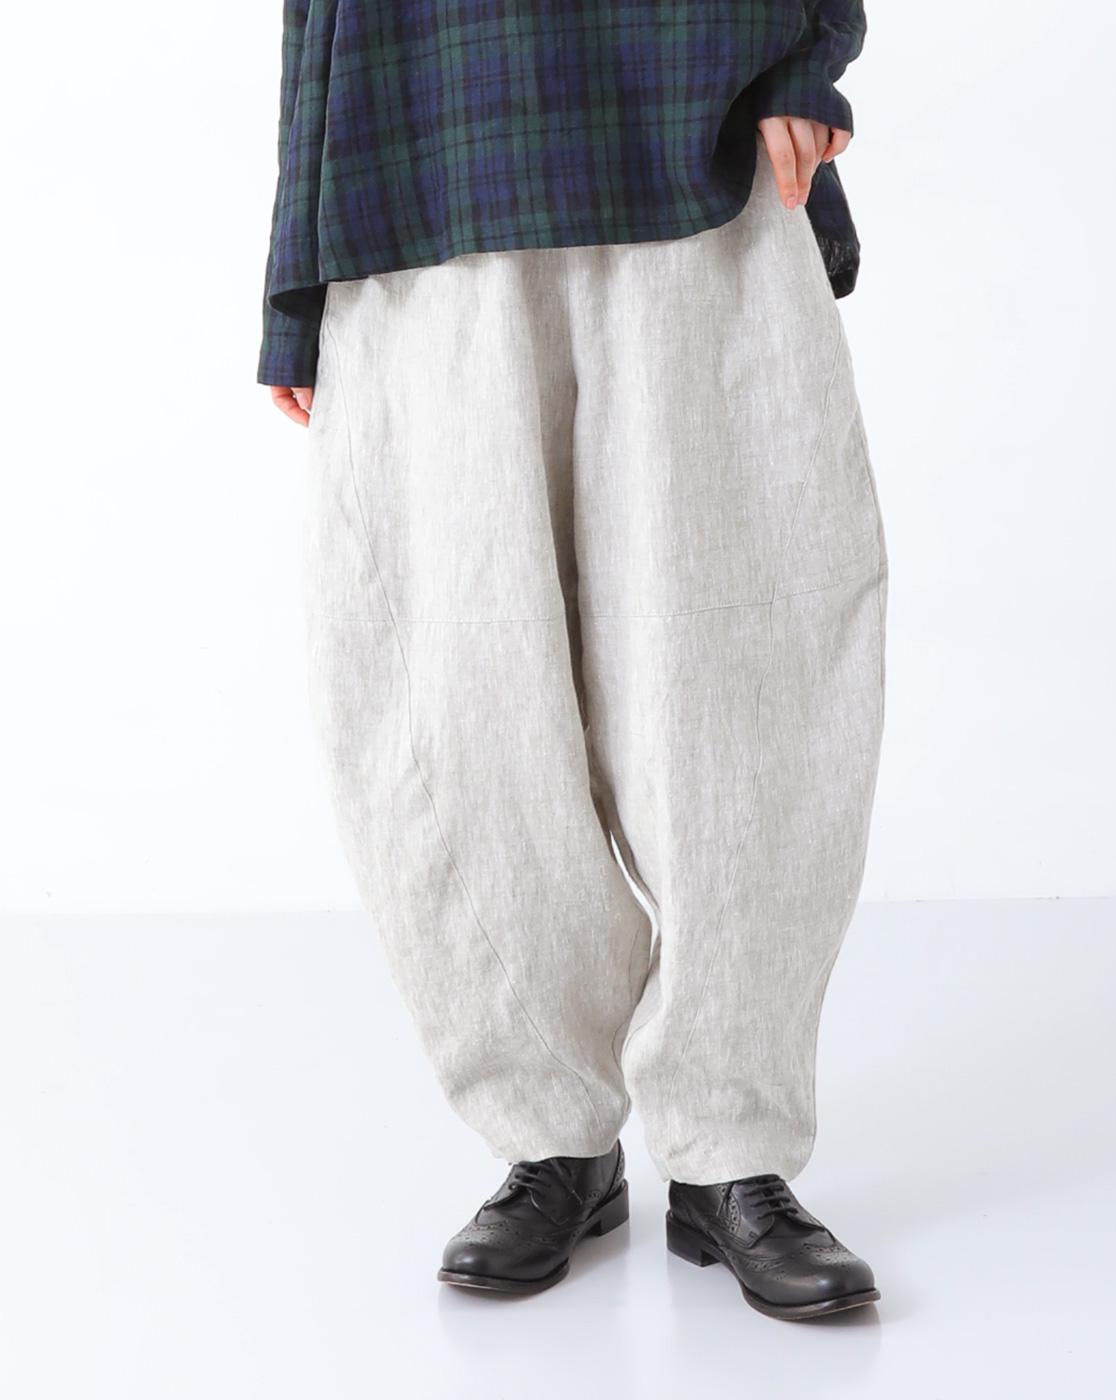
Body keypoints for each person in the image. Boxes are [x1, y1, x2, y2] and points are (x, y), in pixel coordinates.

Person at [260, 1, 885, 1322]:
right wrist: (295, 280)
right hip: (424, 157)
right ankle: (550, 1135)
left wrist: (809, 57)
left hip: (700, 120)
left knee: (741, 676)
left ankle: (732, 1147)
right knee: (453, 692)